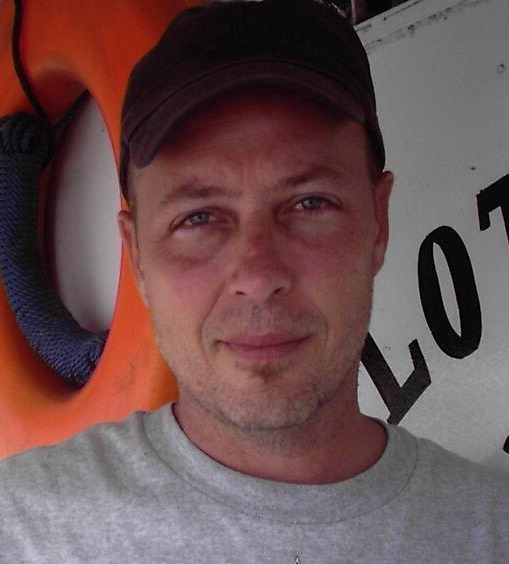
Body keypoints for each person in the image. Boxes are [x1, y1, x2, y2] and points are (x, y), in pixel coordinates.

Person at [0, 1, 508, 562]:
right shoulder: (21, 530)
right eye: (198, 218)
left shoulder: (493, 533)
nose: (259, 276)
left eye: (310, 203)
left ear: (378, 224)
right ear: (138, 256)